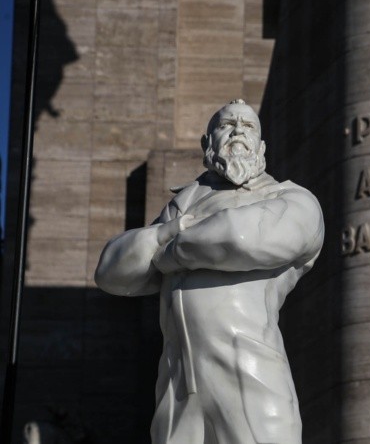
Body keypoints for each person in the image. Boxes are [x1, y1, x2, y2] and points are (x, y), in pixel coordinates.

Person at [95, 99, 324, 444]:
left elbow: (242, 238)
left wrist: (166, 253)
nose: (237, 132)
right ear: (206, 143)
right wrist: (172, 228)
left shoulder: (292, 199)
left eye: (248, 127)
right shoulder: (181, 208)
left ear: (261, 147)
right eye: (226, 125)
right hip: (178, 385)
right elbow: (111, 270)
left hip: (251, 376)